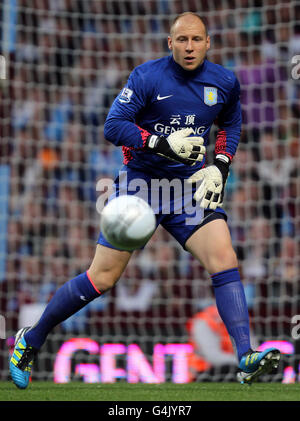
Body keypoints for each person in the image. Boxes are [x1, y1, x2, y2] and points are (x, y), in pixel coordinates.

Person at [10, 12, 280, 389]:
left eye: (196, 40)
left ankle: (245, 357)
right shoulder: (147, 77)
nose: (189, 47)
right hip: (142, 185)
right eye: (181, 40)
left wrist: (220, 165)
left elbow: (230, 124)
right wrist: (161, 142)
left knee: (225, 259)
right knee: (102, 277)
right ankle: (31, 339)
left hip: (187, 186)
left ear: (208, 43)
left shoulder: (224, 82)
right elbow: (113, 126)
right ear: (169, 43)